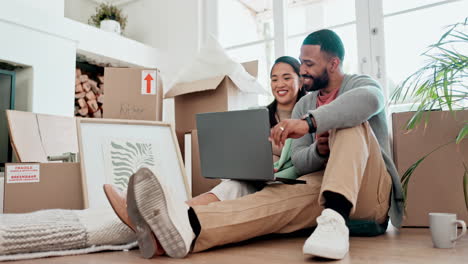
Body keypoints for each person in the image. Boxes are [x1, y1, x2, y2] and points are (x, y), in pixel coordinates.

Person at [107, 29, 404, 260]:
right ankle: (183, 227)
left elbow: (370, 101)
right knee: (272, 200)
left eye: (309, 64)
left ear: (334, 63)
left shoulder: (358, 85)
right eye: (301, 63)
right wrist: (318, 150)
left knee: (346, 119)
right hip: (322, 193)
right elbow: (300, 162)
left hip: (368, 195)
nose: (303, 71)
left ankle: (336, 217)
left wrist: (313, 123)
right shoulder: (305, 104)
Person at [103, 55, 306, 256]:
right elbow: (240, 150)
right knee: (231, 187)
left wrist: (278, 170)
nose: (280, 83)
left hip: (283, 182)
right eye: (274, 78)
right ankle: (160, 224)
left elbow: (305, 158)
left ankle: (154, 222)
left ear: (300, 79)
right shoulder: (257, 113)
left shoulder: (307, 117)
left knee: (234, 191)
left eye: (287, 77)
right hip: (253, 177)